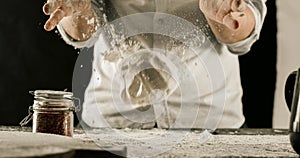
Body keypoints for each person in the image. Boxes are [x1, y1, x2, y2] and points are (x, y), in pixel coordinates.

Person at [42, 0, 267, 129]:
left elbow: (242, 36)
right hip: (113, 123)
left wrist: (225, 15)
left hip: (208, 121)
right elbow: (84, 31)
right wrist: (77, 12)